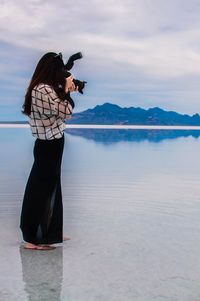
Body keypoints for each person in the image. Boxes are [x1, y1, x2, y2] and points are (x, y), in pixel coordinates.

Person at [20, 52, 78, 250]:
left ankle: (49, 233)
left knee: (50, 187)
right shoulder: (42, 89)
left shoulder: (44, 88)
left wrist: (66, 89)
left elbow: (59, 110)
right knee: (41, 189)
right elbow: (66, 112)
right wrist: (68, 91)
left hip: (51, 143)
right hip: (48, 144)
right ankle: (34, 238)